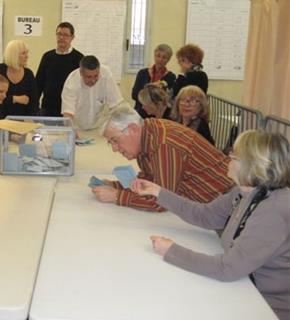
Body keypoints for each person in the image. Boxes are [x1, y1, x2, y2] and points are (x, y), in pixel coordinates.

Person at [131, 130, 290, 320]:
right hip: (242, 288)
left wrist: (171, 251)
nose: (227, 160)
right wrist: (158, 192)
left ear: (252, 165)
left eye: (233, 156)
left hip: (266, 305)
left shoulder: (272, 211)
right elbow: (205, 216)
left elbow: (228, 268)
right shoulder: (244, 191)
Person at [92, 104, 233, 211]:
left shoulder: (163, 144)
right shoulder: (146, 135)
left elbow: (162, 201)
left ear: (133, 129)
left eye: (115, 140)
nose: (114, 149)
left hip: (224, 207)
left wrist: (117, 196)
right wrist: (115, 185)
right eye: (110, 143)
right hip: (202, 206)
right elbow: (149, 181)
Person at [61, 55, 123, 131]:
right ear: (81, 73)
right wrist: (71, 131)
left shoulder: (106, 74)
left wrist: (120, 127)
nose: (93, 80)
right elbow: (68, 114)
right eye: (89, 77)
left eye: (96, 76)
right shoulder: (72, 82)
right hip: (77, 128)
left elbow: (116, 105)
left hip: (98, 127)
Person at [36, 22, 84, 117]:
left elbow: (82, 86)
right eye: (59, 34)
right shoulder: (47, 56)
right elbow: (38, 83)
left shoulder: (79, 58)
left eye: (65, 35)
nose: (61, 38)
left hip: (70, 109)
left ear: (72, 37)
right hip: (48, 108)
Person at [0, 40, 39, 116]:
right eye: (23, 53)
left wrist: (30, 119)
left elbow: (34, 101)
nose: (27, 56)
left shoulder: (29, 74)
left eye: (27, 53)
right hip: (0, 118)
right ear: (14, 55)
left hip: (23, 120)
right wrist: (14, 99)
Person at [132, 44, 176, 118]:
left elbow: (168, 99)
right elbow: (134, 94)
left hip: (160, 116)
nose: (160, 59)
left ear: (168, 60)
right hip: (141, 113)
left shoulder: (171, 77)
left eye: (164, 57)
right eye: (158, 56)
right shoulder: (142, 73)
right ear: (154, 56)